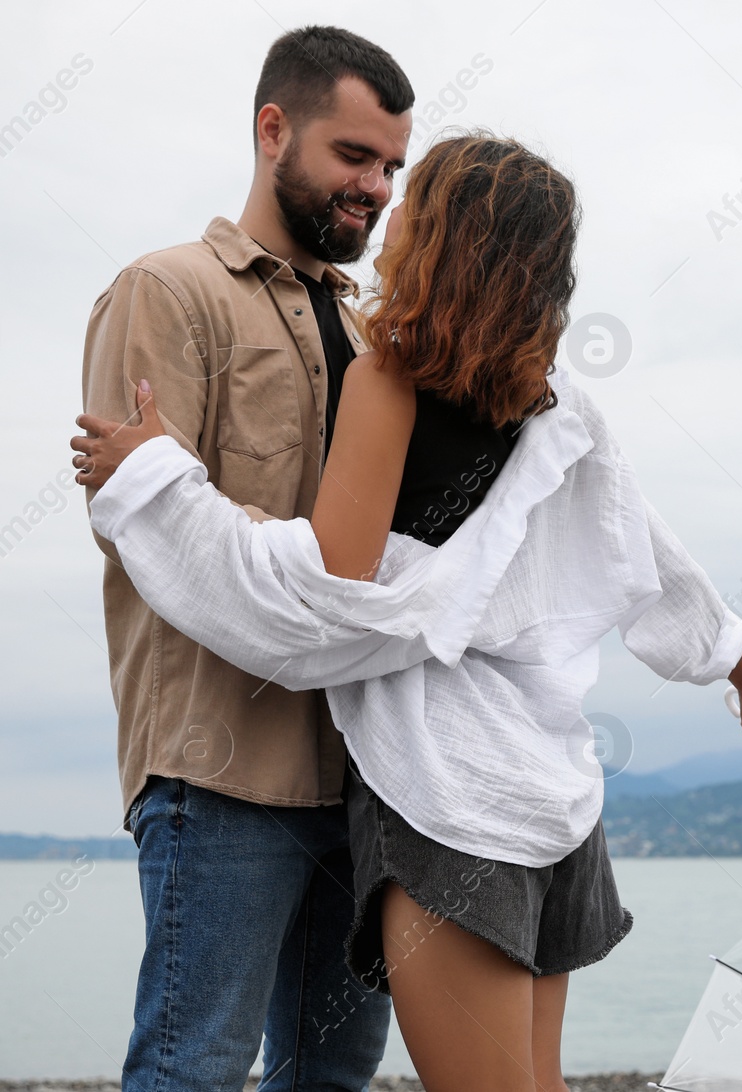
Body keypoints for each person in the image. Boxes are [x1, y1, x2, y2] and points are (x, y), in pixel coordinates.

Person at [73, 131, 742, 1091]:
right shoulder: (555, 403)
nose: (392, 207)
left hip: (453, 808)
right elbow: (647, 543)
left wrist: (156, 484)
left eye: (415, 197)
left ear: (447, 239)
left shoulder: (390, 379)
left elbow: (326, 601)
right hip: (555, 802)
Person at [73, 25, 413, 1091]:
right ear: (274, 129)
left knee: (333, 1078)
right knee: (192, 1072)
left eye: (394, 167)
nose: (378, 189)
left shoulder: (375, 334)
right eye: (355, 156)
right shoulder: (166, 291)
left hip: (366, 774)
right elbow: (149, 524)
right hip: (219, 772)